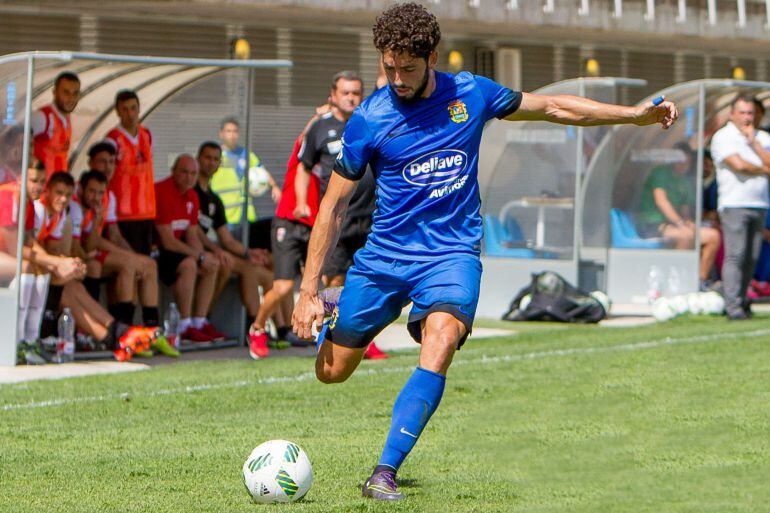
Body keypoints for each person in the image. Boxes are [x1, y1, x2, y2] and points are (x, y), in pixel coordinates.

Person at [290, 2, 678, 501]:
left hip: (451, 253)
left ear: (432, 56)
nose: (396, 78)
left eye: (407, 68)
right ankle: (340, 303)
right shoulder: (370, 118)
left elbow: (554, 107)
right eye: (388, 67)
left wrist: (632, 117)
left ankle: (383, 471)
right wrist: (308, 290)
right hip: (385, 256)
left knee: (442, 337)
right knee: (333, 372)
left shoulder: (470, 92)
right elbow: (332, 207)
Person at [299, 70, 387, 359]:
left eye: (355, 93)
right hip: (340, 218)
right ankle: (335, 338)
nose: (351, 98)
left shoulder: (370, 119)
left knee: (365, 279)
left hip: (371, 216)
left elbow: (384, 80)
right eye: (345, 93)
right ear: (333, 96)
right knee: (335, 282)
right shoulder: (320, 128)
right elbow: (303, 166)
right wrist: (303, 202)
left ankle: (363, 338)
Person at [33, 171, 151, 360]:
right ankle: (115, 335)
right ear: (47, 191)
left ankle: (116, 333)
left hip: (41, 269)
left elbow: (54, 249)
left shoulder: (59, 214)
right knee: (68, 286)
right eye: (59, 193)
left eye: (67, 195)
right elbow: (30, 247)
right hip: (25, 269)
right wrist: (63, 262)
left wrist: (68, 262)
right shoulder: (38, 210)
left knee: (73, 285)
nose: (63, 199)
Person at [194, 141, 293, 346]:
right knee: (243, 269)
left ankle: (279, 328)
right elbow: (191, 229)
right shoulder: (191, 192)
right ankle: (252, 329)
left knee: (266, 274)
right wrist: (215, 250)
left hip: (214, 251)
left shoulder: (214, 200)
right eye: (207, 158)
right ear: (198, 159)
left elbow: (227, 240)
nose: (211, 162)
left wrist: (249, 253)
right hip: (195, 252)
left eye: (215, 159)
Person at [75, 170, 177, 357]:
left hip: (92, 253)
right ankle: (127, 334)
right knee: (126, 265)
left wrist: (132, 256)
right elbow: (89, 243)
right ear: (81, 189)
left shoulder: (107, 199)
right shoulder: (74, 205)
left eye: (100, 193)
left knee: (148, 265)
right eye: (92, 191)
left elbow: (112, 235)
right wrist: (129, 257)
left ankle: (151, 332)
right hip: (83, 257)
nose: (96, 197)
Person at [710, 94, 770, 320]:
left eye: (750, 113)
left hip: (760, 203)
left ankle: (743, 300)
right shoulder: (723, 137)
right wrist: (763, 167)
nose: (747, 117)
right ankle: (732, 306)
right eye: (742, 112)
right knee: (736, 255)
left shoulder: (762, 137)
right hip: (734, 203)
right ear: (732, 114)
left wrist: (753, 143)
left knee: (751, 257)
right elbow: (738, 165)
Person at [155, 154, 225, 343]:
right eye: (184, 172)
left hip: (179, 250)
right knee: (190, 265)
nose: (189, 177)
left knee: (211, 263)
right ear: (173, 172)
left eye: (193, 173)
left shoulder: (192, 195)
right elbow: (168, 241)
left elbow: (192, 234)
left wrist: (204, 256)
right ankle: (184, 325)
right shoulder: (162, 191)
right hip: (159, 251)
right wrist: (199, 256)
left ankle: (199, 321)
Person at [636, 142, 721, 288]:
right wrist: (681, 223)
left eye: (687, 162)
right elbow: (661, 201)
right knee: (685, 235)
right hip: (652, 225)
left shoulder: (685, 182)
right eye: (680, 162)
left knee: (713, 236)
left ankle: (700, 282)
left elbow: (684, 211)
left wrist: (688, 222)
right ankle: (676, 279)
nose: (683, 166)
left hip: (675, 225)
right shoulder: (660, 173)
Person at [211, 117, 281, 247]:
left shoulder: (245, 154)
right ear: (221, 134)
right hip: (224, 215)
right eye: (228, 131)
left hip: (246, 213)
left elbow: (261, 170)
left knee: (250, 246)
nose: (232, 135)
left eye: (235, 131)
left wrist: (274, 186)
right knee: (228, 247)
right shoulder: (216, 156)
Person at [105, 90, 156, 256]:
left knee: (145, 261)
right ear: (118, 111)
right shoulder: (113, 139)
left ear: (139, 108)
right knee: (129, 263)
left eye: (133, 108)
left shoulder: (147, 135)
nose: (130, 114)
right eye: (125, 109)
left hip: (146, 212)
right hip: (123, 214)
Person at [32, 72, 80, 177]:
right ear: (54, 92)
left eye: (75, 93)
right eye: (66, 92)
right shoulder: (42, 117)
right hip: (40, 190)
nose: (71, 98)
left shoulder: (66, 119)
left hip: (57, 189)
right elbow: (17, 145)